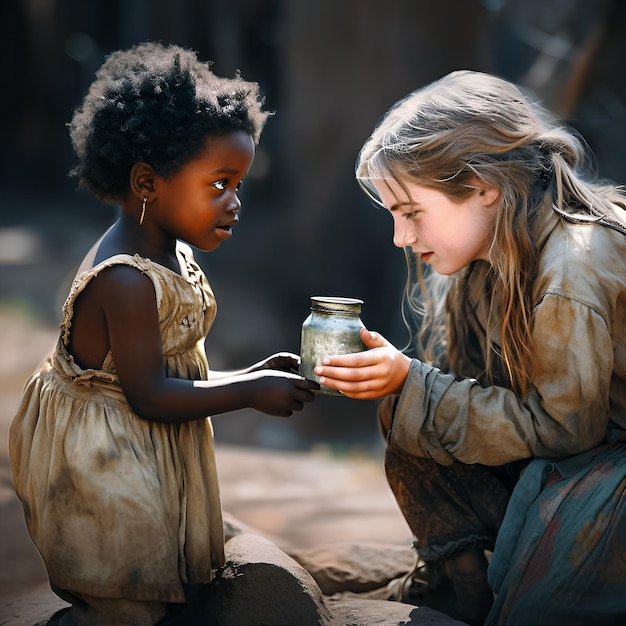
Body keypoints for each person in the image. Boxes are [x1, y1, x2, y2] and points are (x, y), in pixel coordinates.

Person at [9, 42, 317, 626]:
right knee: (130, 604)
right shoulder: (125, 280)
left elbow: (172, 375)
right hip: (104, 460)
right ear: (148, 183)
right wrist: (250, 395)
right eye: (218, 184)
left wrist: (255, 374)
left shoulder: (169, 249)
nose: (234, 202)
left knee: (174, 594)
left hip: (143, 435)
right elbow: (149, 395)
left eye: (239, 185)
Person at [314, 70, 626, 625]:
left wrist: (415, 383)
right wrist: (408, 389)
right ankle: (460, 584)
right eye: (393, 216)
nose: (401, 238)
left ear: (485, 187)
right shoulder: (498, 248)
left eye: (411, 213)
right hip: (571, 458)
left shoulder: (570, 271)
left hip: (605, 469)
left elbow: (567, 431)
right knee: (413, 415)